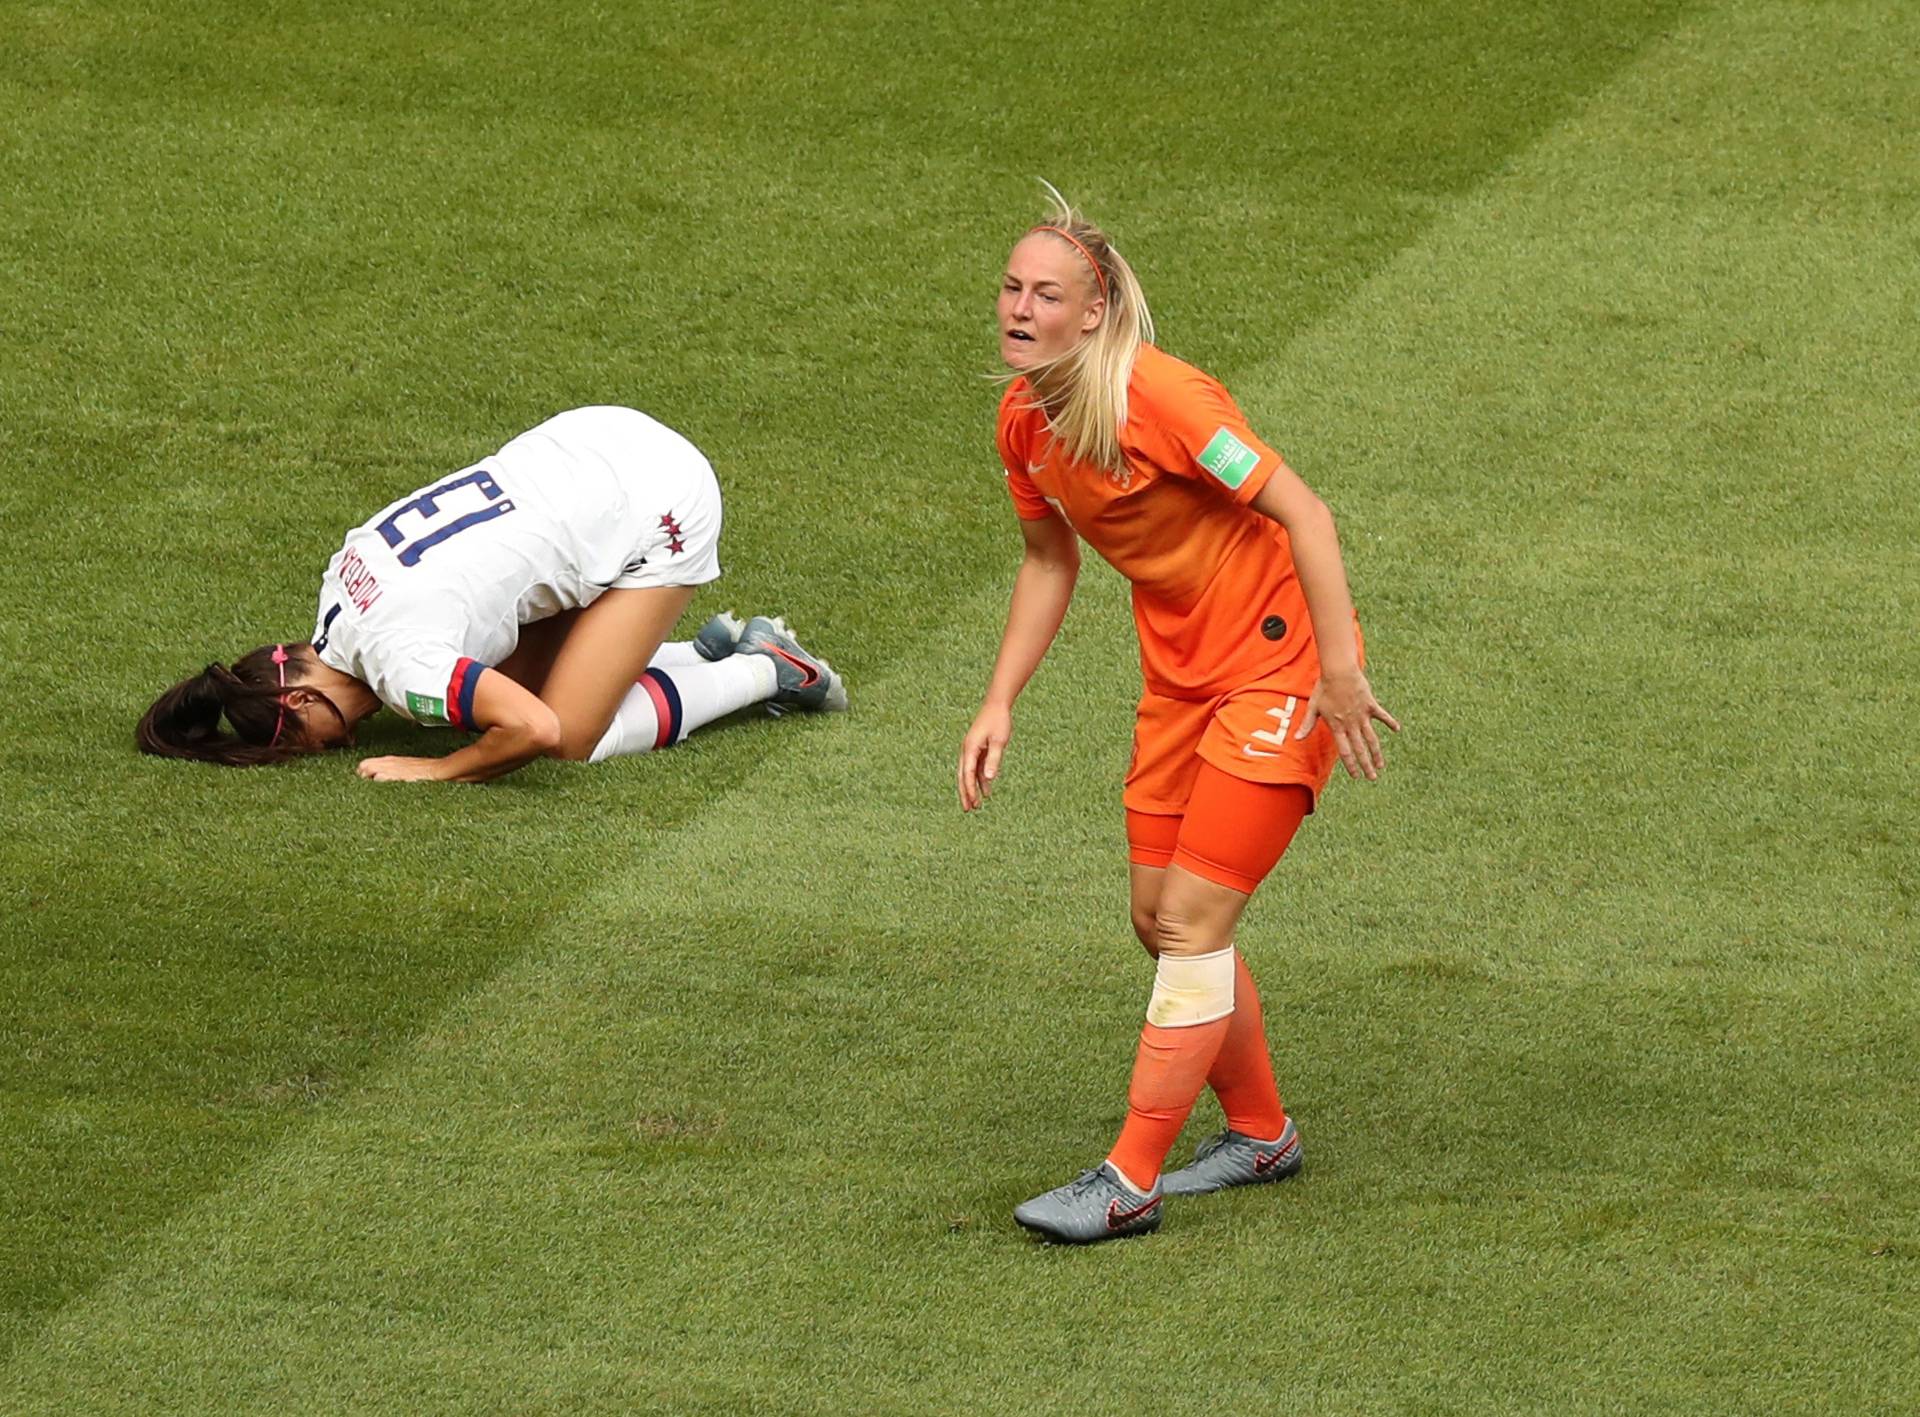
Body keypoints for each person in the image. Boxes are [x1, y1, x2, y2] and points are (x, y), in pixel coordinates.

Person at [958, 190, 1399, 1243]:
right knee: (1158, 921)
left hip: (1280, 671)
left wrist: (1336, 673)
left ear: (1097, 309)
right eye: (1012, 288)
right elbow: (1048, 557)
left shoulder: (1167, 398)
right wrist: (999, 699)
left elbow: (1305, 512)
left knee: (1197, 924)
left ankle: (1129, 1178)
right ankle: (1261, 1133)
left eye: (1047, 293)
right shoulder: (1025, 421)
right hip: (1181, 687)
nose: (1022, 308)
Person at [139, 405, 846, 781]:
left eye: (302, 741)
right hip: (589, 439)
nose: (325, 749)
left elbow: (534, 730)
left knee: (566, 736)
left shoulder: (399, 662)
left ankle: (768, 668)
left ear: (297, 696)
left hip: (658, 501)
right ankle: (699, 649)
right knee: (495, 698)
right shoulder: (339, 585)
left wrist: (437, 771)